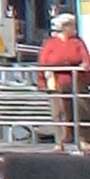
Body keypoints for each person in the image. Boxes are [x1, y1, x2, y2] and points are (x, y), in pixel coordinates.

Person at [36, 10, 90, 145]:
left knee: (81, 110)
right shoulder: (51, 43)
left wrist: (83, 66)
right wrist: (44, 80)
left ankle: (84, 140)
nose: (74, 28)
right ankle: (61, 141)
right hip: (56, 81)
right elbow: (44, 62)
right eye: (71, 25)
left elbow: (86, 59)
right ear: (65, 27)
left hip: (76, 81)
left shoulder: (77, 42)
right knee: (59, 111)